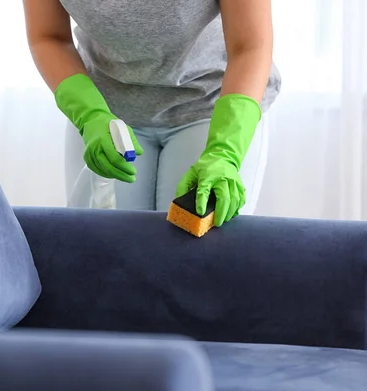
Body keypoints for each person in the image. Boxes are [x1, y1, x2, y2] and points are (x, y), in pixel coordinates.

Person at [23, 0, 281, 227]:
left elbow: (250, 45)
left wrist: (225, 152)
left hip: (211, 103)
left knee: (194, 251)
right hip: (106, 111)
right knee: (105, 246)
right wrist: (90, 114)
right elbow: (49, 36)